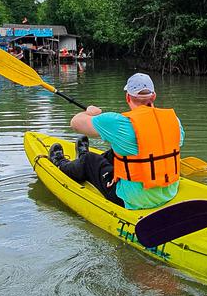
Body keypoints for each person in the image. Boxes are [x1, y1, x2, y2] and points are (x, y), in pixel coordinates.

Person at [48, 72, 184, 210]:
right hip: (168, 193)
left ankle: (62, 164)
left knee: (90, 159)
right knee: (117, 151)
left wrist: (90, 112)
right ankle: (83, 160)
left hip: (133, 200)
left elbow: (75, 123)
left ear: (128, 97)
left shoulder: (118, 122)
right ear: (154, 96)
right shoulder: (174, 121)